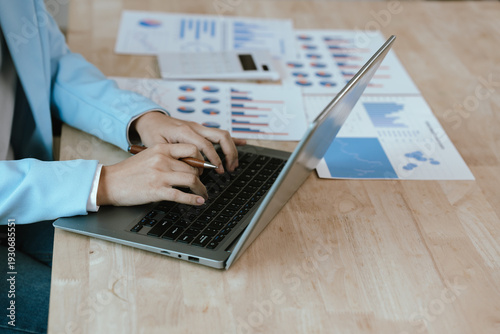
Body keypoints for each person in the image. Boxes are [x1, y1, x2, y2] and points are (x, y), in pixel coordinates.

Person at [0, 1, 245, 333]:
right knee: (109, 319)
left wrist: (140, 119)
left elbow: (51, 66)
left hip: (24, 196)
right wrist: (104, 182)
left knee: (155, 280)